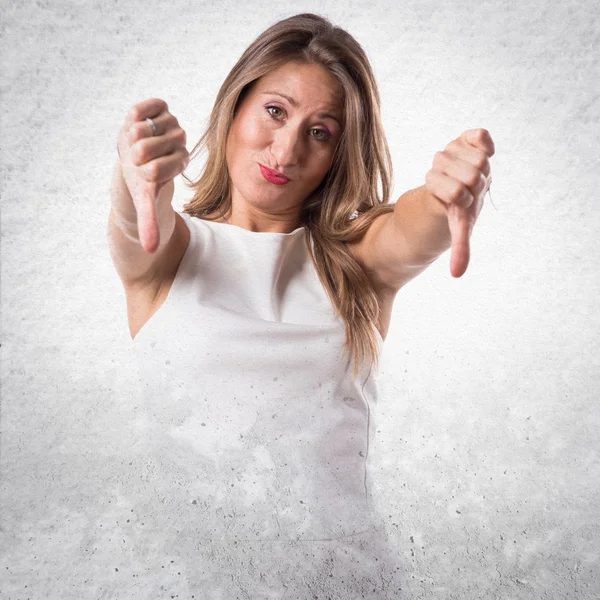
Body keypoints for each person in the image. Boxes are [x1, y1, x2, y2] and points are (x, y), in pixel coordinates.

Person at [107, 12, 494, 597]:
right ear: (235, 105)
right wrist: (130, 175)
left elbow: (410, 228)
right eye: (275, 111)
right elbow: (136, 226)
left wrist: (446, 198)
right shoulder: (171, 255)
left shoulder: (355, 263)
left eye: (321, 132)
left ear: (340, 152)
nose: (285, 151)